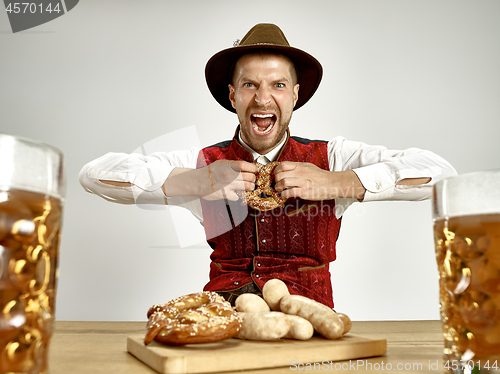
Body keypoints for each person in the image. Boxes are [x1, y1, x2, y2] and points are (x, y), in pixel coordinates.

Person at [79, 23, 457, 308]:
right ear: (232, 96)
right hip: (223, 327)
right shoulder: (203, 164)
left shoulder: (333, 157)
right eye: (249, 85)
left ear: (295, 95)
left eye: (277, 85)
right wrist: (194, 181)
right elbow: (94, 175)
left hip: (310, 326)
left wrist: (339, 183)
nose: (262, 98)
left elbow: (440, 172)